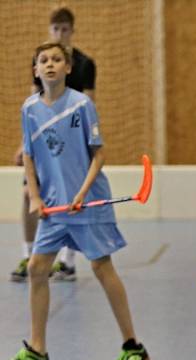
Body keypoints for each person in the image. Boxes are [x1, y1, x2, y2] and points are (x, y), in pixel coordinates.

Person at [0, 42, 148, 360]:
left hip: (86, 202)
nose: (49, 65)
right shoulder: (29, 109)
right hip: (54, 206)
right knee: (38, 268)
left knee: (101, 268)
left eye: (56, 60)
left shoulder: (82, 105)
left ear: (68, 68)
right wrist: (35, 197)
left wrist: (82, 192)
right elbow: (29, 156)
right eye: (43, 61)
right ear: (36, 70)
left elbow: (99, 155)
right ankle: (37, 351)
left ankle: (133, 347)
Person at [10, 7, 96, 283]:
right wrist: (25, 143)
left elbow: (90, 104)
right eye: (55, 29)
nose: (59, 34)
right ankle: (29, 255)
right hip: (43, 141)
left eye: (64, 29)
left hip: (71, 141)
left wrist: (85, 143)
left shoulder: (84, 64)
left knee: (70, 199)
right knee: (28, 194)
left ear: (72, 30)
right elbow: (33, 104)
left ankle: (68, 262)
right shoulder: (40, 60)